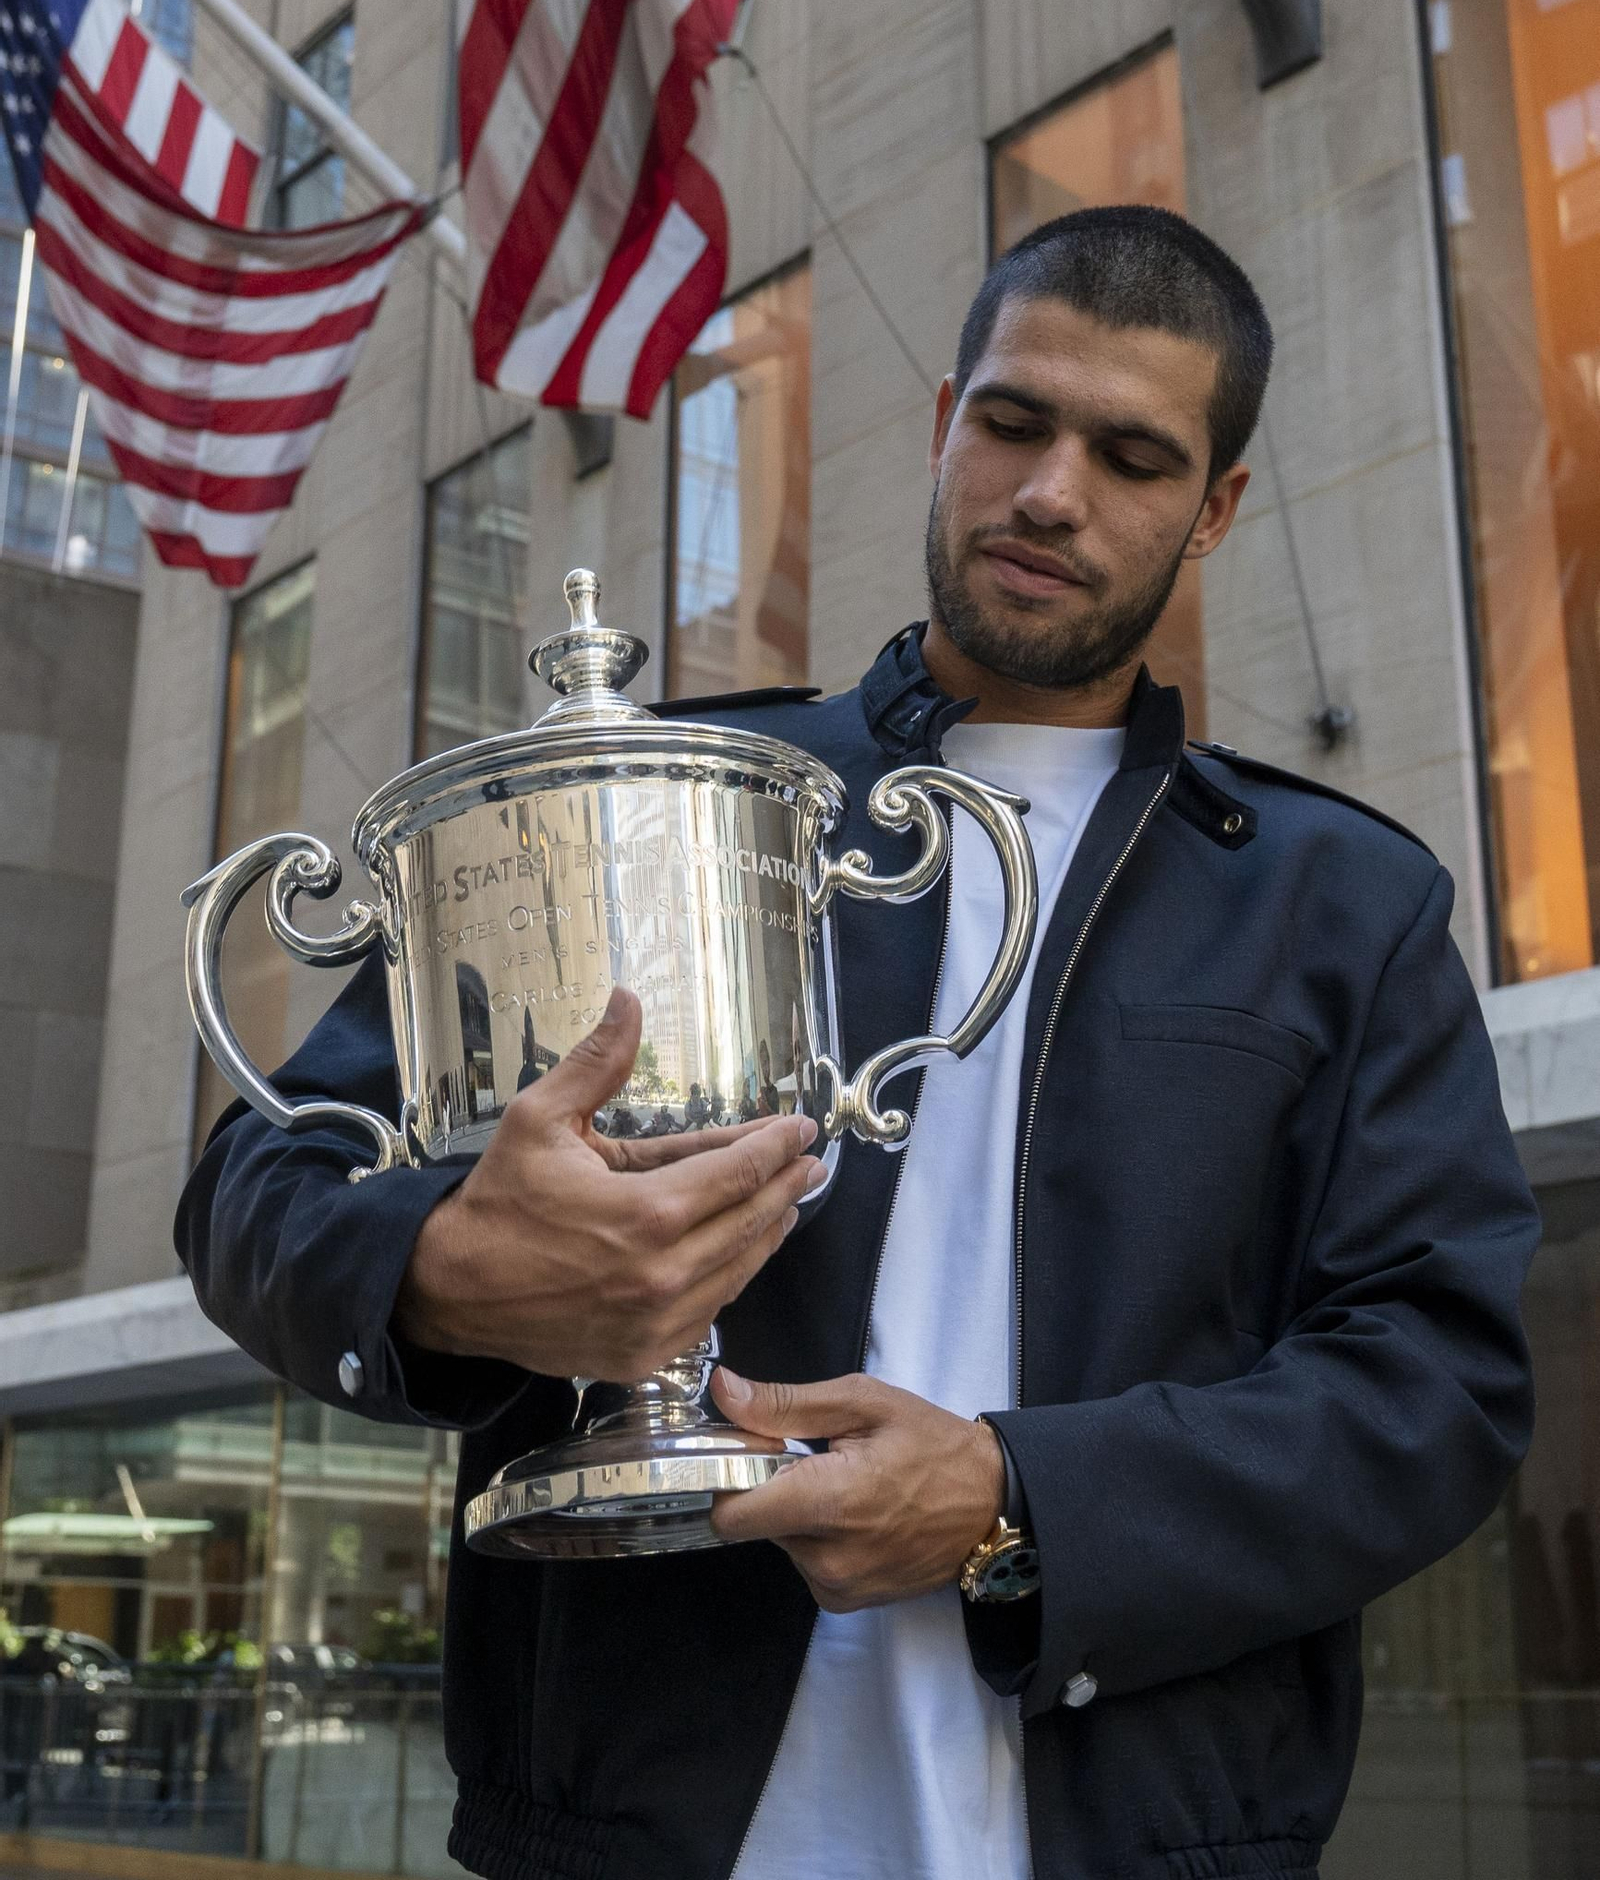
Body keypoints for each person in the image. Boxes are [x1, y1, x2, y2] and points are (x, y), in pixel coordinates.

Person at [177, 206, 1538, 1880]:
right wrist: (453, 1269)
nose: (1051, 494)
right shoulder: (661, 793)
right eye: (1016, 424)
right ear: (945, 421)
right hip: (627, 1825)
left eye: (1131, 455)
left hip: (1133, 1832)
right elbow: (259, 1185)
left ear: (1214, 509)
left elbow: (1435, 1386)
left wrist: (1020, 1504)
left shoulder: (1346, 905)